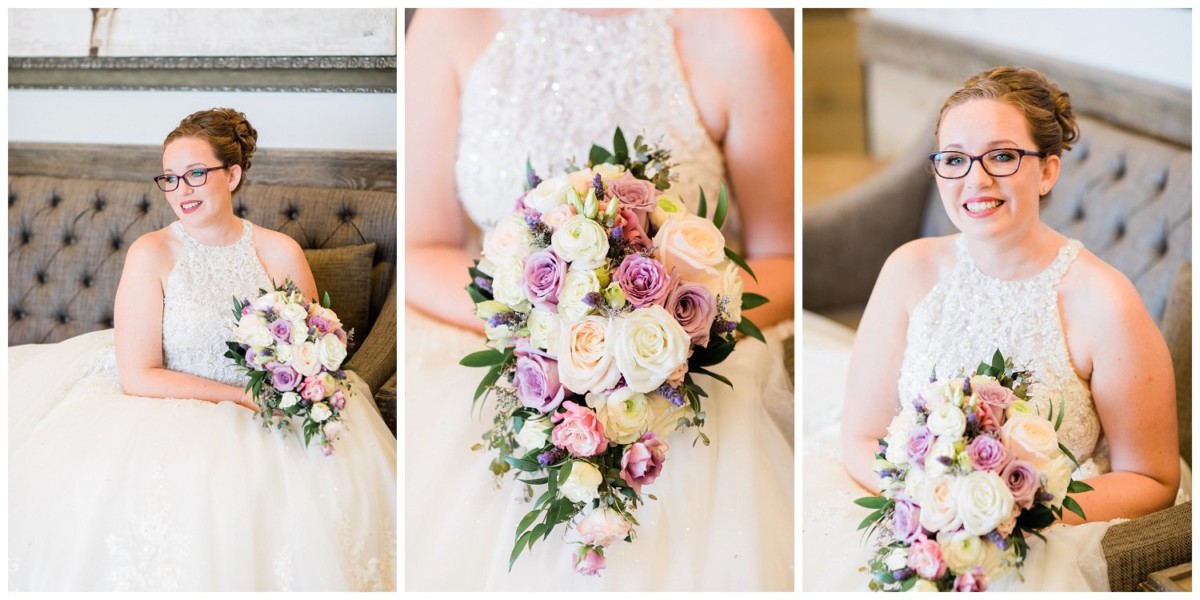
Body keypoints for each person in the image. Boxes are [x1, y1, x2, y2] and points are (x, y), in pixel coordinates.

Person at [405, 8, 794, 591]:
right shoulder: (449, 22)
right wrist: (540, 328)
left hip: (685, 349)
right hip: (497, 333)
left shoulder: (735, 29)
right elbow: (421, 247)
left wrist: (675, 327)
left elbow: (784, 255)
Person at [803, 66, 1187, 590]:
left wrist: (1010, 514)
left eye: (1002, 157)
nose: (975, 180)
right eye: (955, 160)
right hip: (911, 514)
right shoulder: (908, 271)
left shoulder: (1105, 303)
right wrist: (928, 504)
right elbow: (862, 433)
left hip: (1042, 540)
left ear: (1047, 171)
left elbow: (1153, 480)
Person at [8, 108, 397, 592]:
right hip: (162, 406)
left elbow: (311, 353)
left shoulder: (280, 252)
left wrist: (294, 388)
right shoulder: (151, 253)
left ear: (232, 175)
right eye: (169, 178)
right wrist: (238, 398)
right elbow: (139, 375)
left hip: (267, 409)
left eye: (195, 174)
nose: (181, 191)